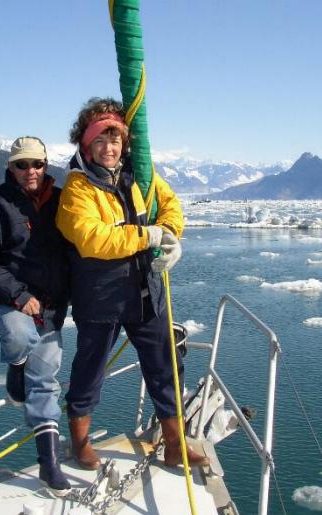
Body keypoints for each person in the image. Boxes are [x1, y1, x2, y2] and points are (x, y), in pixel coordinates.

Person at [56, 97, 209, 470]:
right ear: (85, 145)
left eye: (116, 140)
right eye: (100, 141)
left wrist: (170, 234)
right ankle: (80, 442)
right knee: (90, 367)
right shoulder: (77, 189)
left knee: (165, 363)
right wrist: (149, 236)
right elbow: (93, 238)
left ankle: (175, 443)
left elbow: (169, 203)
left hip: (145, 288)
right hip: (100, 293)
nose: (109, 148)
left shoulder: (140, 175)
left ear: (125, 143)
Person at [0, 136, 71, 496]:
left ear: (46, 165)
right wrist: (18, 294)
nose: (30, 171)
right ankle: (16, 364)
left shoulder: (61, 202)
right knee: (19, 336)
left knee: (46, 380)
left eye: (37, 164)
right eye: (22, 165)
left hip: (51, 306)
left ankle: (49, 464)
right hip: (5, 299)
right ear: (10, 167)